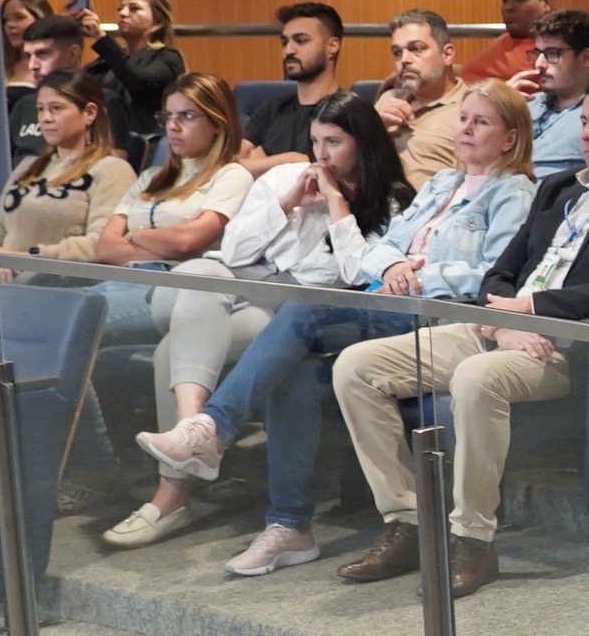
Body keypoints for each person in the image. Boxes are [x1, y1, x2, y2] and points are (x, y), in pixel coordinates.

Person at [135, 83, 539, 579]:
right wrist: (391, 265)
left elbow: (494, 274)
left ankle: (211, 431)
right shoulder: (441, 184)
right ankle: (289, 526)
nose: (466, 129)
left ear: (509, 138)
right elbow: (380, 250)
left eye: (481, 122)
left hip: (439, 313)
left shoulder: (514, 192)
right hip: (388, 300)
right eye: (463, 119)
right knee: (295, 374)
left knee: (305, 311)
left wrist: (413, 275)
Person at [327, 77, 589, 593]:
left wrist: (532, 310)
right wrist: (505, 321)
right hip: (504, 329)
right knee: (356, 367)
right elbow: (499, 273)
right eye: (583, 122)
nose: (586, 134)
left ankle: (473, 542)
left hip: (576, 345)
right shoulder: (559, 187)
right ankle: (408, 522)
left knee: (475, 378)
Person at [102, 93, 410, 551]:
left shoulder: (392, 200)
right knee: (193, 298)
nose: (321, 155)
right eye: (315, 141)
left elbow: (355, 274)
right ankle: (194, 436)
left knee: (182, 327)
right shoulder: (286, 178)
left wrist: (336, 206)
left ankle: (177, 480)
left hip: (292, 309)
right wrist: (287, 203)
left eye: (333, 142)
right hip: (237, 290)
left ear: (363, 143)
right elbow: (233, 251)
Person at [85, 77, 252, 335]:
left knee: (71, 321)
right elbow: (105, 248)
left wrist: (135, 235)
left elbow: (187, 243)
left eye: (186, 116)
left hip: (173, 290)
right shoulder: (150, 177)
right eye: (168, 116)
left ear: (218, 123)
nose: (173, 126)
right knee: (50, 310)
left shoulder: (232, 175)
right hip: (120, 280)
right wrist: (168, 243)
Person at [0, 75, 134, 260]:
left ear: (89, 113)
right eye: (40, 109)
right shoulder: (28, 166)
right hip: (4, 271)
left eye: (56, 108)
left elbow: (102, 243)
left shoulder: (113, 170)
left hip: (58, 275)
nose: (45, 118)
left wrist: (30, 258)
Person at [89, 0, 188, 164]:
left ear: (157, 20)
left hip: (145, 147)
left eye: (134, 8)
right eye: (120, 9)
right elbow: (78, 85)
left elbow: (139, 81)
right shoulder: (106, 60)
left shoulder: (168, 57)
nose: (123, 13)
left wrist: (100, 37)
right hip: (102, 143)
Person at [243, 2, 347, 168]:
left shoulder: (348, 111)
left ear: (332, 46)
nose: (289, 50)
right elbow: (235, 165)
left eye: (301, 41)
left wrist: (264, 160)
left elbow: (337, 169)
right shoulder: (271, 108)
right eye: (285, 42)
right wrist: (293, 159)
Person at [375, 11, 467, 182]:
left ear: (447, 55)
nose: (404, 60)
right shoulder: (389, 98)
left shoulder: (471, 110)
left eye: (416, 49)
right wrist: (373, 126)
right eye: (397, 52)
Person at [522, 8, 589, 177]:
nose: (539, 64)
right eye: (537, 54)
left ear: (586, 58)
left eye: (552, 54)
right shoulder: (527, 103)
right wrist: (497, 105)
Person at [7, 16, 92, 169]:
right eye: (29, 56)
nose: (33, 65)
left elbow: (111, 169)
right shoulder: (24, 105)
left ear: (72, 54)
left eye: (43, 54)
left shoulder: (103, 100)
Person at [460, 0, 557, 88]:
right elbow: (463, 75)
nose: (508, 7)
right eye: (505, 0)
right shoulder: (502, 42)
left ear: (546, 3)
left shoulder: (566, 47)